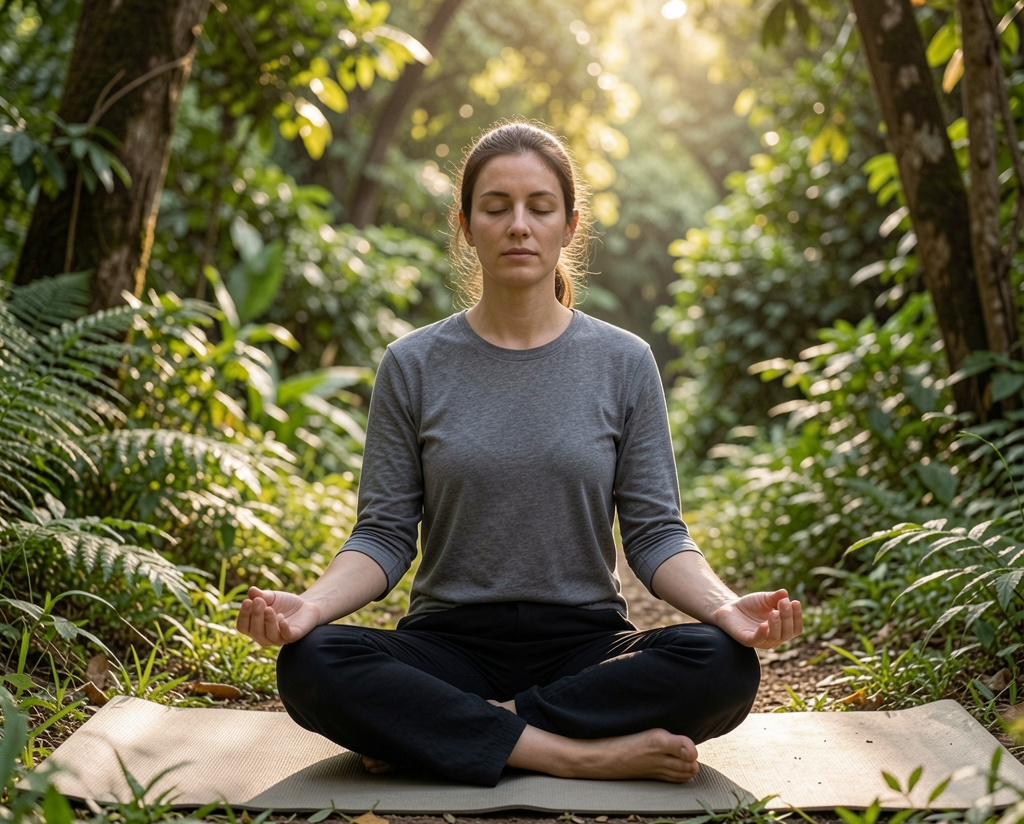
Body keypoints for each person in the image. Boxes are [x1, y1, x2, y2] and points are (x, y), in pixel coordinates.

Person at [236, 120, 803, 788]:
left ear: (569, 225)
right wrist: (310, 607)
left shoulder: (625, 362)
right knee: (313, 662)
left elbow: (655, 535)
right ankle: (576, 755)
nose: (518, 226)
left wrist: (724, 607)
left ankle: (449, 733)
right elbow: (384, 535)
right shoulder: (412, 364)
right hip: (447, 645)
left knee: (722, 663)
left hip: (585, 646)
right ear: (466, 226)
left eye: (540, 207)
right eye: (496, 207)